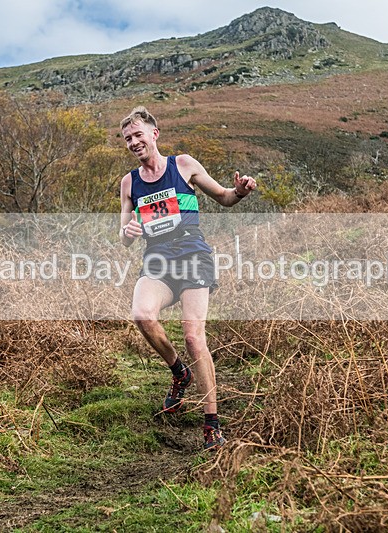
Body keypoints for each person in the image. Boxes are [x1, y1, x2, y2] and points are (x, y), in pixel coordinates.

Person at [119, 106, 256, 451]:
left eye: (138, 135)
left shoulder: (184, 165)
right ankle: (180, 372)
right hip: (158, 261)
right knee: (142, 315)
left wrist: (239, 190)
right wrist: (129, 230)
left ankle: (211, 426)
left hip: (193, 256)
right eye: (127, 139)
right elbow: (123, 233)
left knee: (194, 338)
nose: (134, 142)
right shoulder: (129, 183)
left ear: (154, 134)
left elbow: (224, 197)